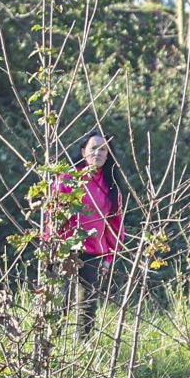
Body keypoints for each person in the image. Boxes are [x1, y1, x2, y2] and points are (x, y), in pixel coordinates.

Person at [57, 131, 125, 334]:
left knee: (88, 305)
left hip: (94, 252)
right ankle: (49, 345)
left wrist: (110, 257)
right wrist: (52, 244)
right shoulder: (67, 179)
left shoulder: (111, 186)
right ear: (83, 152)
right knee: (60, 301)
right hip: (65, 248)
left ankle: (83, 347)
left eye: (103, 149)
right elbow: (52, 215)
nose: (98, 153)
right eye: (93, 148)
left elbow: (115, 225)